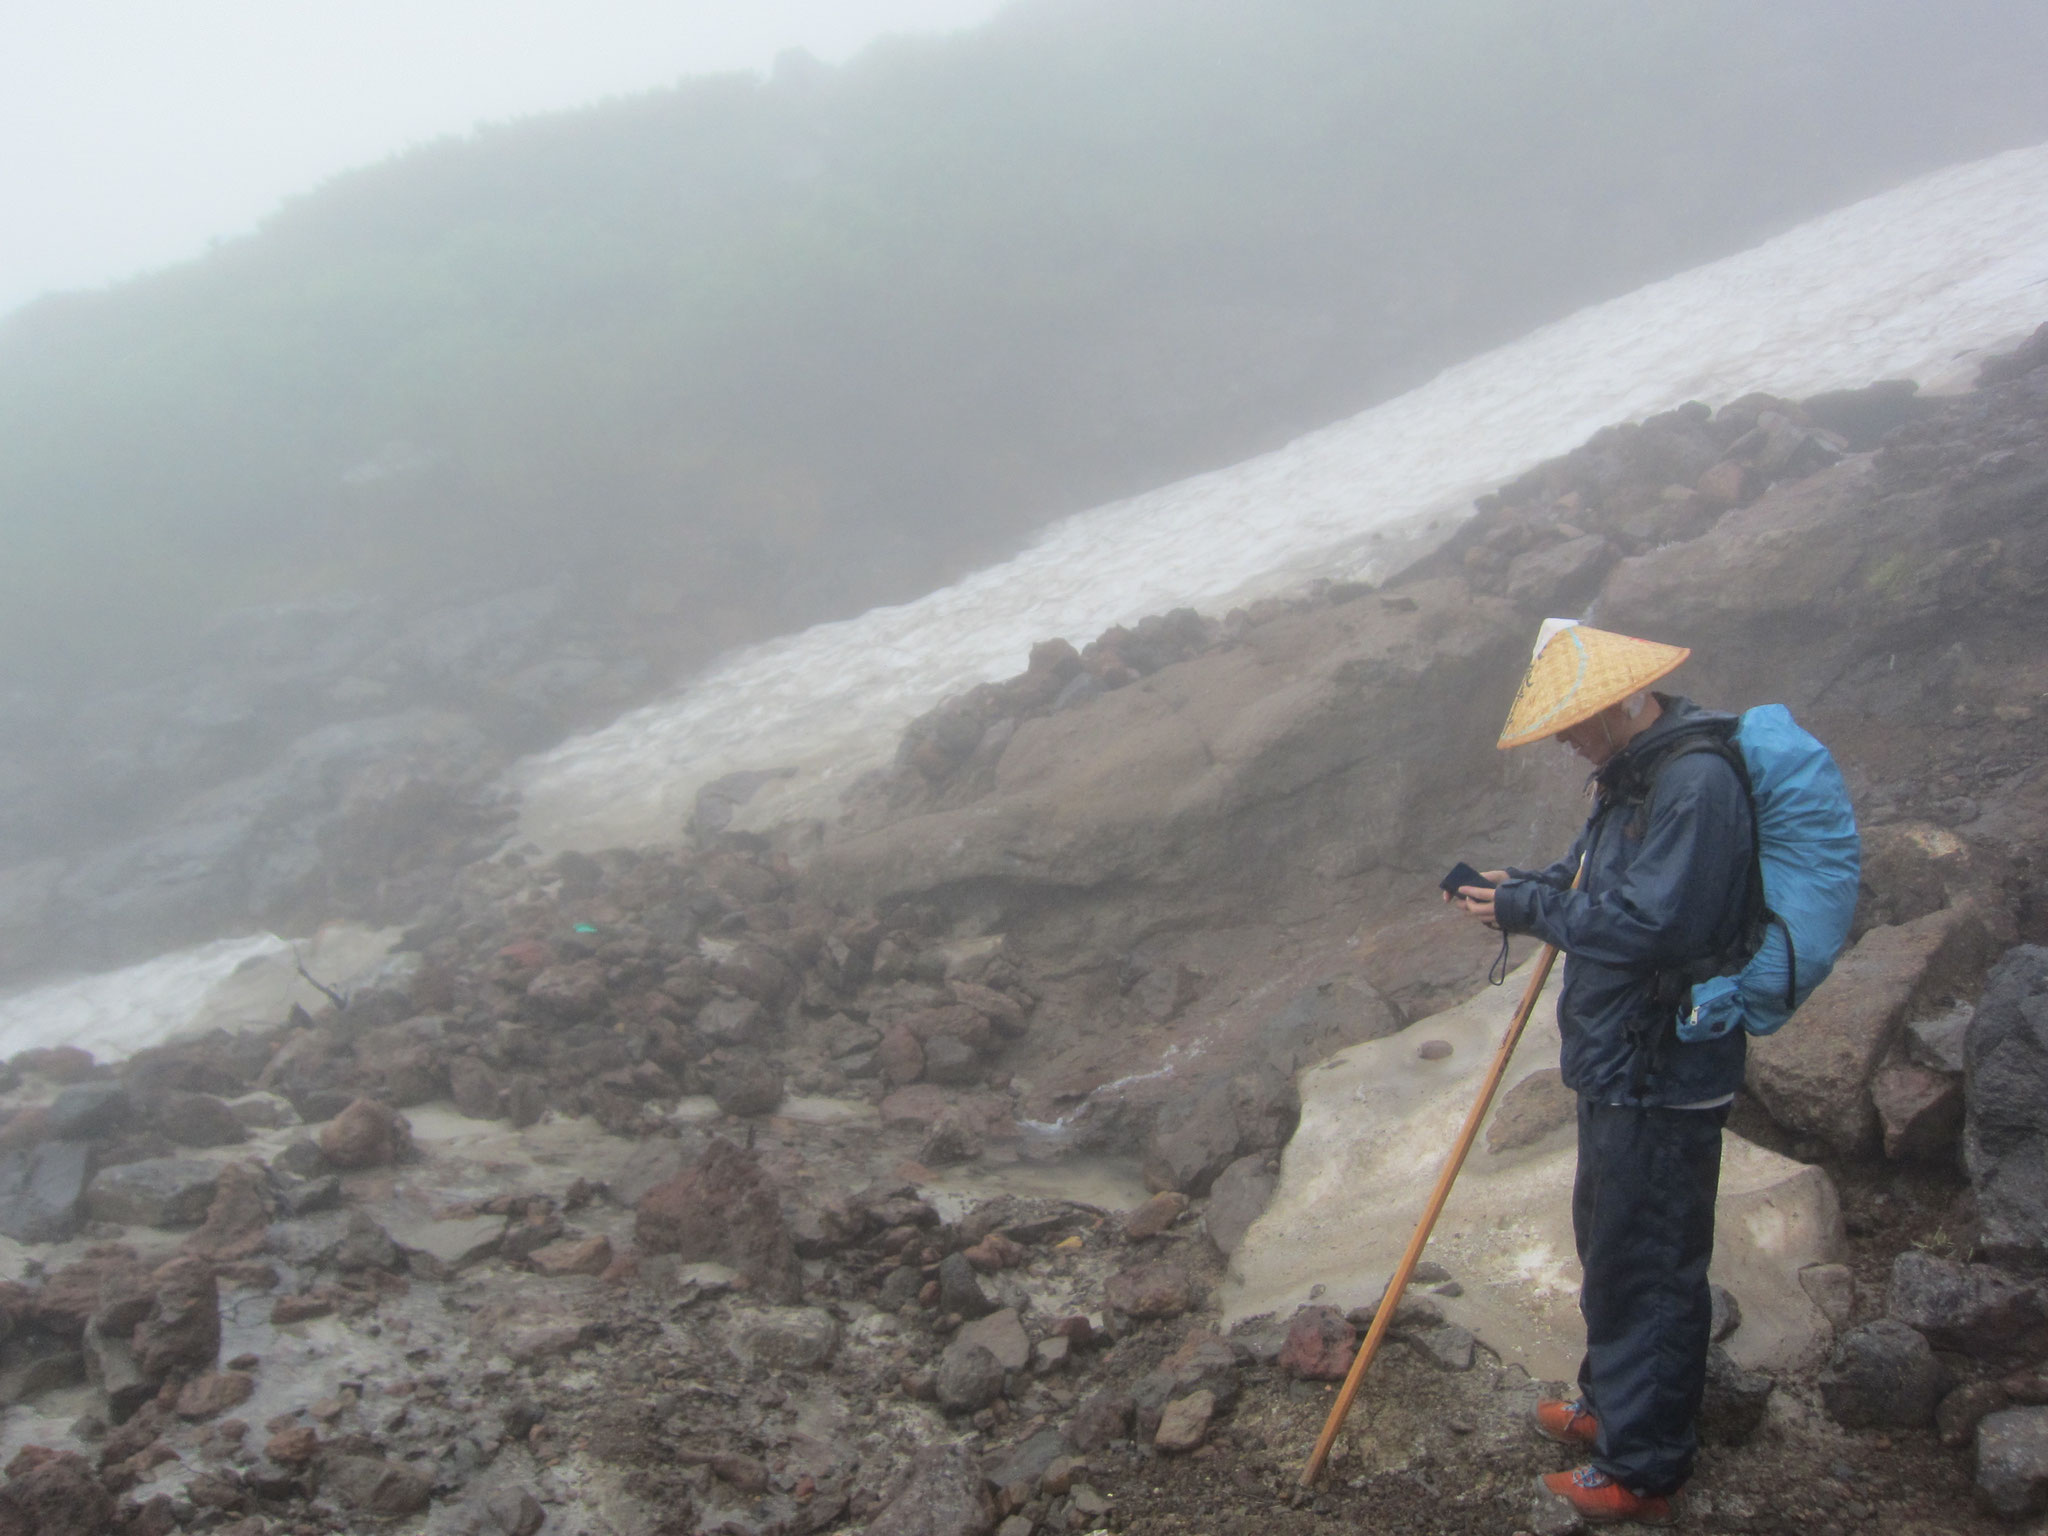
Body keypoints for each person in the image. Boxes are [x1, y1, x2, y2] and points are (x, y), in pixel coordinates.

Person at [1446, 619, 1755, 1527]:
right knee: (1613, 1245)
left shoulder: (1693, 782)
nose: (1566, 739)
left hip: (1662, 1062)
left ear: (1626, 699)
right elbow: (1600, 889)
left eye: (1576, 720)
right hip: (1622, 1058)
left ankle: (1645, 1471)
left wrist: (1530, 907)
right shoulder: (1632, 776)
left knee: (1651, 1261)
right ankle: (1613, 1409)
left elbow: (1656, 926)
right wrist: (1524, 885)